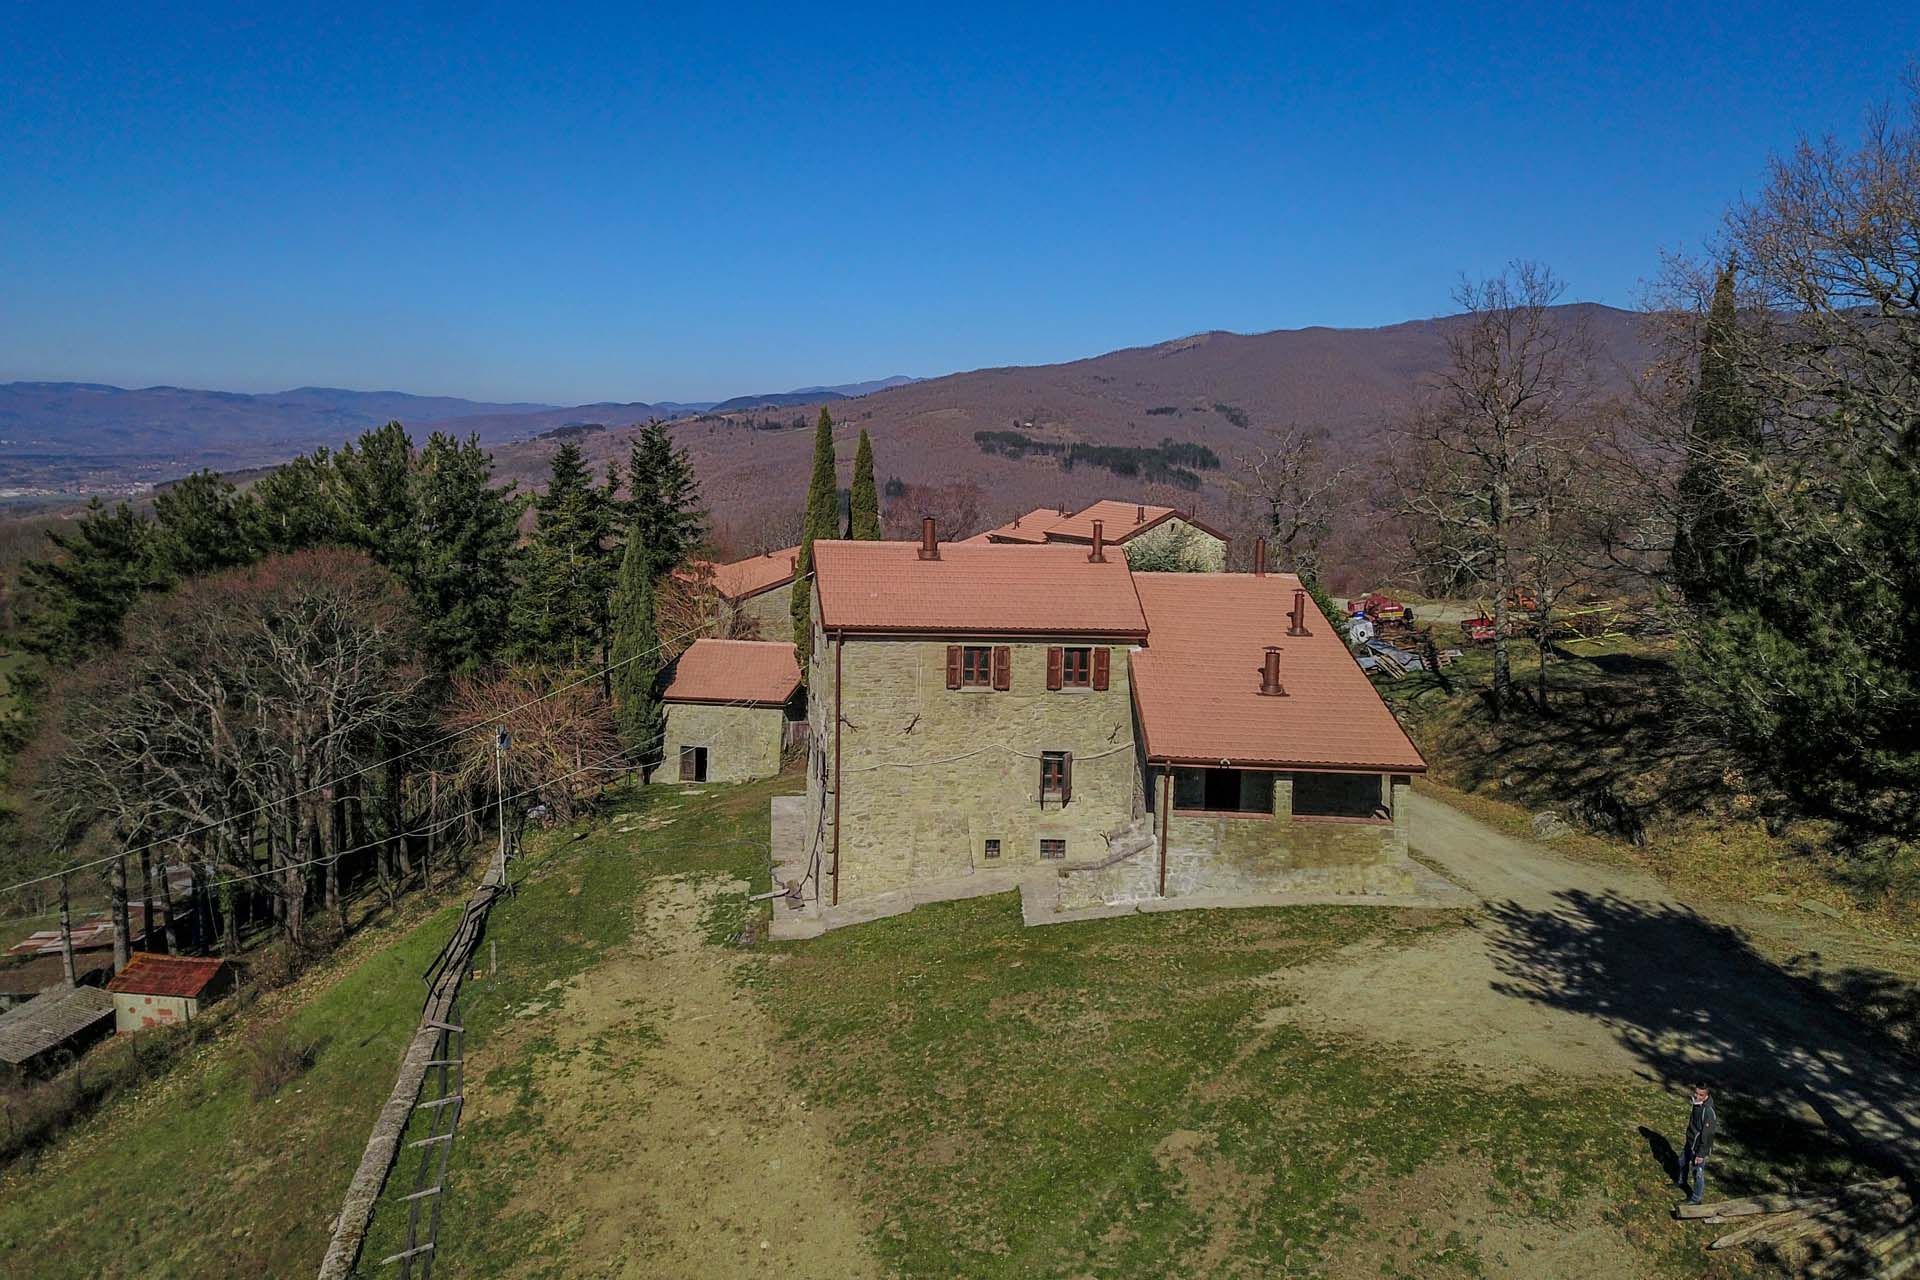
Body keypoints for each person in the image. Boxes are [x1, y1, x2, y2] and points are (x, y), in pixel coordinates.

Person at [1679, 1084, 1717, 1204]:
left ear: (1707, 1096)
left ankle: (1696, 1198)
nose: (1697, 1096)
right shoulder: (1697, 1103)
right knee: (1681, 1162)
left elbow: (1708, 1136)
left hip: (1699, 1147)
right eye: (1696, 1093)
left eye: (1701, 1095)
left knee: (1697, 1173)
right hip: (1690, 1142)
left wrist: (1700, 1154)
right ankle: (1681, 1182)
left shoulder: (1708, 1112)